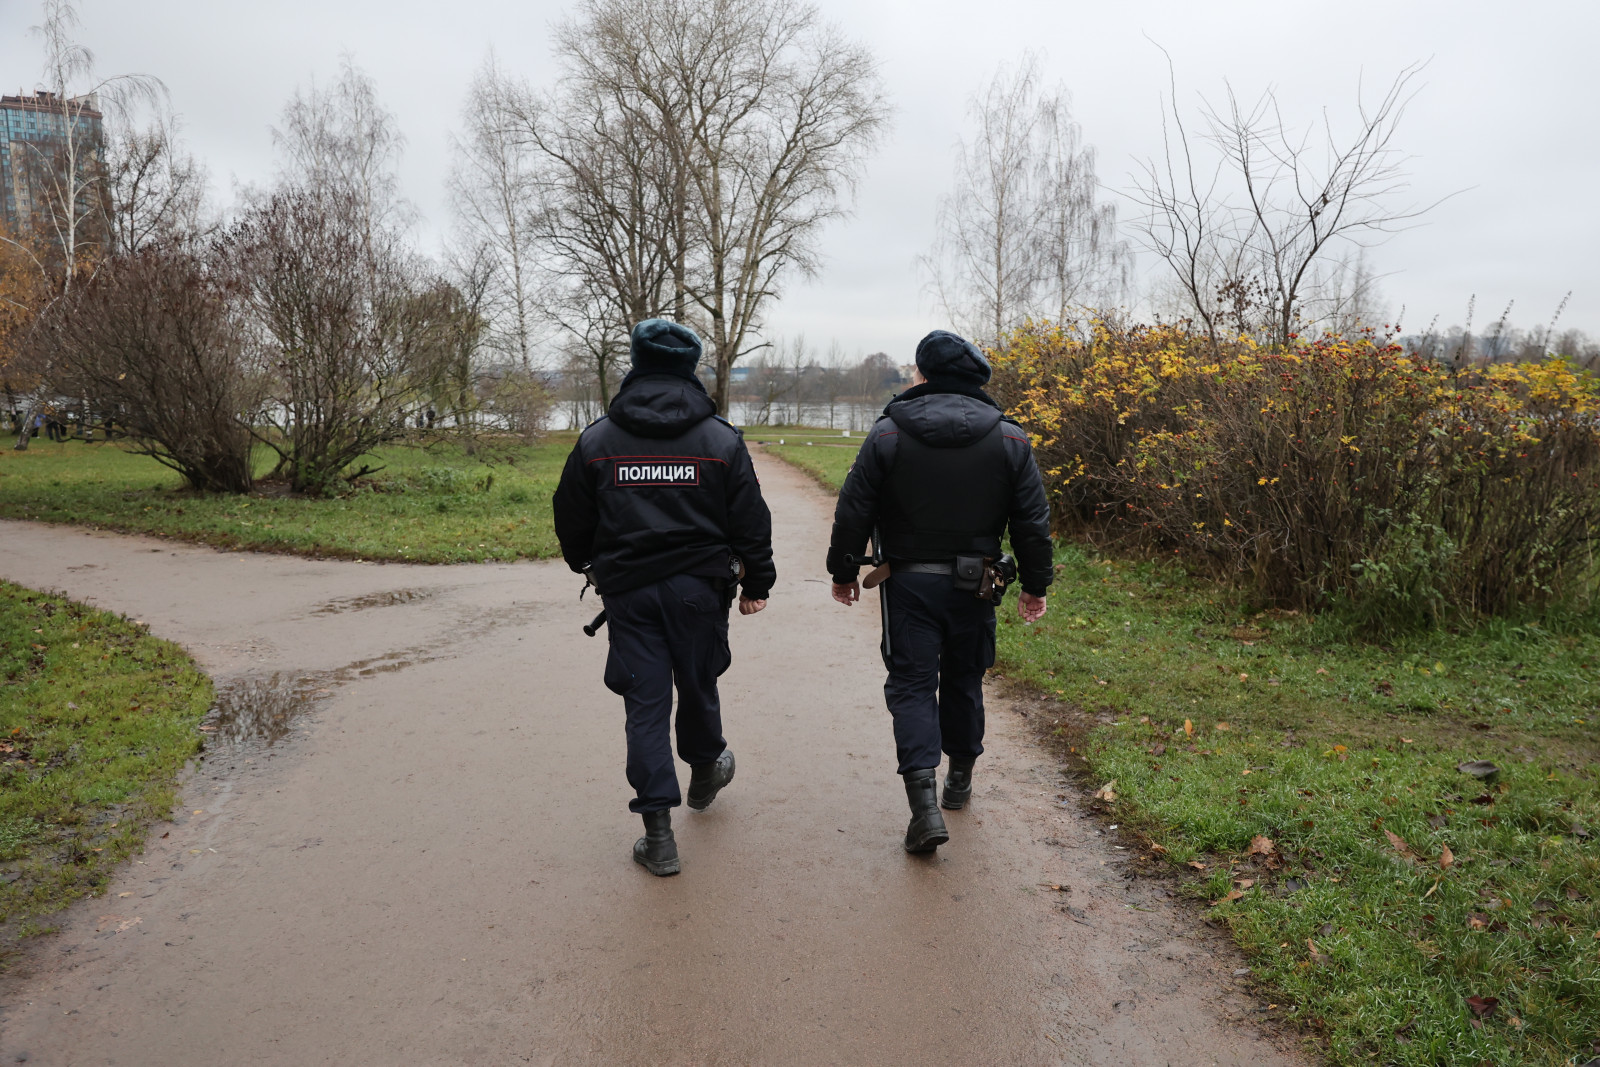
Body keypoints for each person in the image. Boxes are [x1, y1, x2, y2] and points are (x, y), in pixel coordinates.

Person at [553, 319, 775, 877]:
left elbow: (571, 518)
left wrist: (588, 563)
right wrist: (757, 583)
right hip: (701, 591)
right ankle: (704, 771)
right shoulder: (721, 439)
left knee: (645, 706)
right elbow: (750, 519)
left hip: (629, 593)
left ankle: (659, 837)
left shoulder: (598, 439)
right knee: (697, 684)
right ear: (690, 367)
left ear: (636, 361)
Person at [826, 330, 1052, 853]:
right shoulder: (1011, 439)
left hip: (907, 583)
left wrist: (842, 571)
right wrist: (1035, 585)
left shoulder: (887, 434)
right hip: (977, 586)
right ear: (976, 379)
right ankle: (959, 780)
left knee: (910, 684)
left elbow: (853, 509)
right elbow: (1032, 524)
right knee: (965, 678)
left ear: (923, 376)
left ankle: (923, 807)